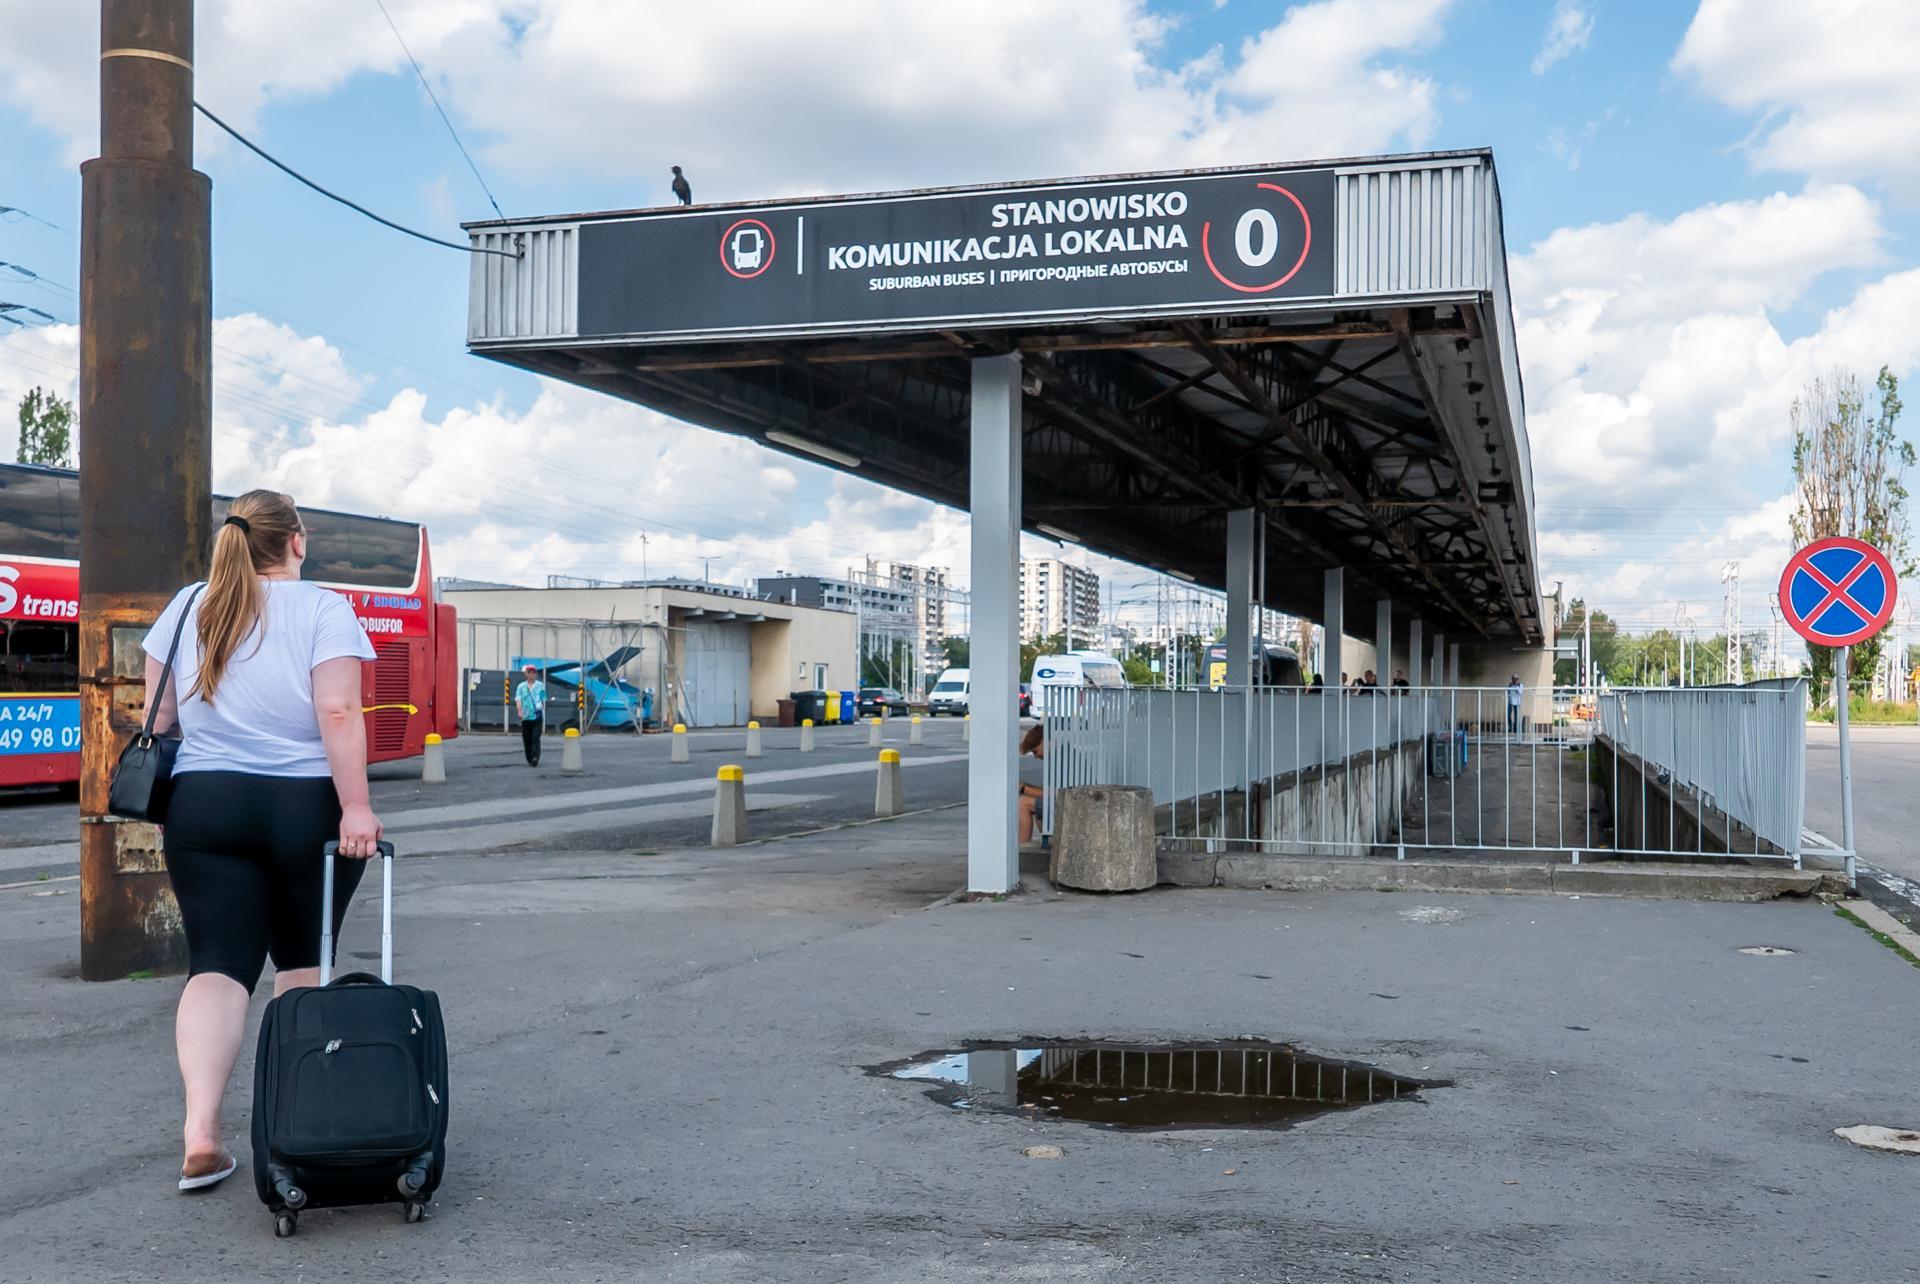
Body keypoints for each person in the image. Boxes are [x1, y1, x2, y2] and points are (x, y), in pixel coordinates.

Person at [141, 491, 381, 1193]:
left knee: (217, 966)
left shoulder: (190, 605)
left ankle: (201, 1136)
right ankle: (294, 1123)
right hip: (304, 805)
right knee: (303, 964)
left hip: (205, 803)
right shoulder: (324, 609)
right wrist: (357, 807)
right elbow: (336, 709)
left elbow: (161, 717)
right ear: (297, 542)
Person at [1017, 723, 1046, 844]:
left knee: (1024, 803)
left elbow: (1049, 794)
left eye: (1035, 751)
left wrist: (1023, 788)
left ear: (1045, 741)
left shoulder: (1060, 760)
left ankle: (1022, 848)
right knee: (1035, 804)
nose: (1036, 756)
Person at [515, 663, 548, 766]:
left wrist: (541, 705)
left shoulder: (540, 685)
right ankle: (529, 758)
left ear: (535, 674)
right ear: (526, 673)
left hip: (537, 716)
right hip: (526, 717)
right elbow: (518, 700)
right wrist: (519, 711)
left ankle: (535, 757)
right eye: (529, 672)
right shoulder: (521, 686)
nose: (531, 674)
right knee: (527, 739)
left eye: (533, 672)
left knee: (535, 737)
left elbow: (544, 698)